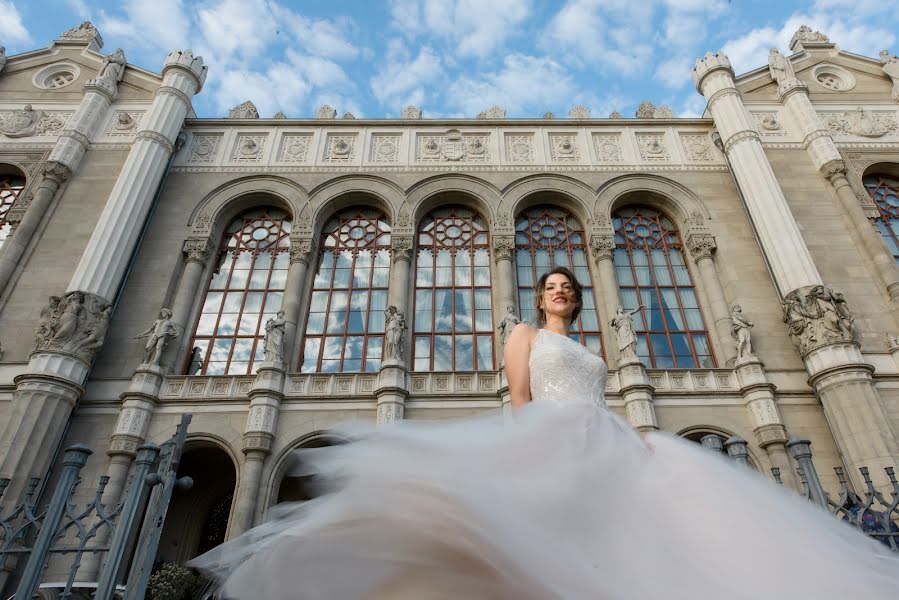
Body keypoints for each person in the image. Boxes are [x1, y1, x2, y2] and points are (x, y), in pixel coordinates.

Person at [192, 267, 899, 599]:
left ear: (576, 298)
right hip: (552, 434)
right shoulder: (523, 333)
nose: (560, 290)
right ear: (536, 296)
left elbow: (596, 387)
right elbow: (522, 397)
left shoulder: (586, 341)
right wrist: (524, 457)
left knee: (634, 540)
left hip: (606, 434)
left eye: (568, 287)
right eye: (552, 285)